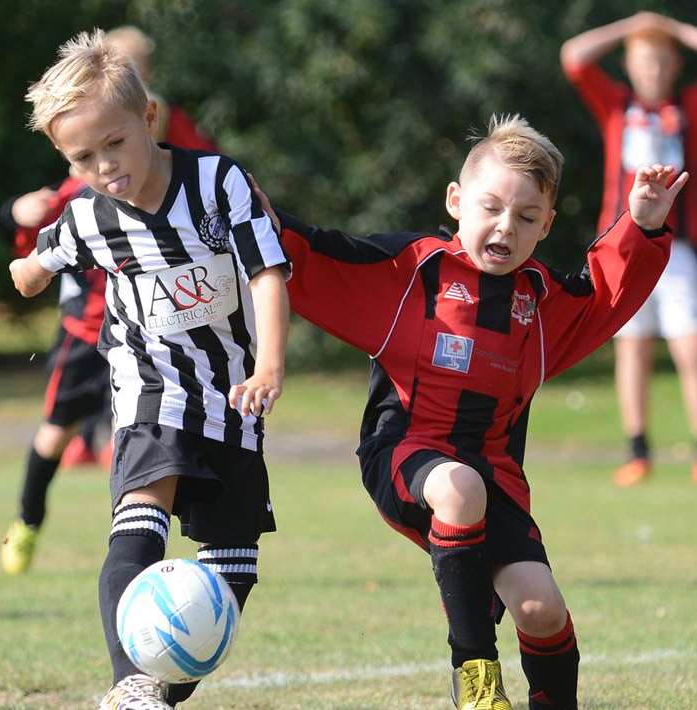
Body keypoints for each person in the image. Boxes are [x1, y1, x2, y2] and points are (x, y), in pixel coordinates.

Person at [265, 116, 684, 709]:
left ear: (546, 227)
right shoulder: (411, 273)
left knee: (539, 607)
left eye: (526, 218)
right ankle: (476, 678)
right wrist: (250, 213)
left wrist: (642, 225)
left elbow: (608, 293)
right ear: (456, 201)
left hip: (496, 475)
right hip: (405, 453)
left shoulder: (542, 304)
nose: (505, 228)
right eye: (490, 208)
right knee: (459, 489)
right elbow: (314, 256)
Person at [9, 29, 289, 708]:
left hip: (232, 394)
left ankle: (159, 692)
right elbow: (33, 266)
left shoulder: (218, 180)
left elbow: (266, 271)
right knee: (140, 515)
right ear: (63, 159)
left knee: (232, 571)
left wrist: (271, 363)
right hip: (147, 386)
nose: (105, 166)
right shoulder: (85, 217)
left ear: (149, 119)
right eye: (83, 157)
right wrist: (27, 271)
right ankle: (128, 684)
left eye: (115, 144)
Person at [0, 24, 219, 576]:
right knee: (54, 435)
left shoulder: (184, 163)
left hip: (156, 338)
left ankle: (147, 547)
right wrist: (16, 218)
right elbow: (39, 246)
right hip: (85, 333)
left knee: (148, 437)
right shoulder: (85, 191)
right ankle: (27, 521)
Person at [561, 11, 697, 486]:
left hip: (677, 249)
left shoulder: (689, 106)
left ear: (675, 65)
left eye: (661, 61)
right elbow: (573, 57)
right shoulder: (616, 106)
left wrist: (671, 28)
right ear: (630, 66)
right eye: (643, 61)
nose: (652, 71)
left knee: (690, 350)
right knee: (632, 348)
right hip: (624, 247)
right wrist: (632, 26)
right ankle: (638, 450)